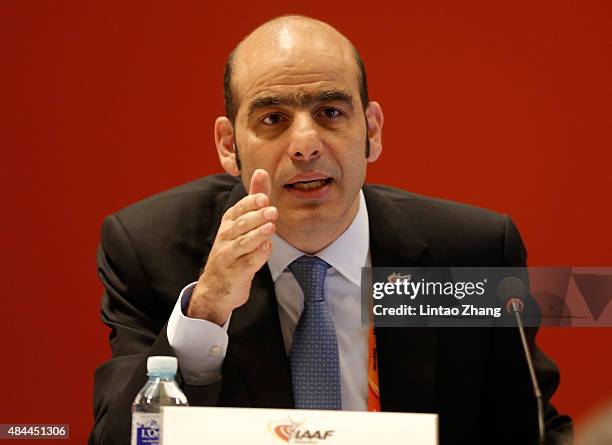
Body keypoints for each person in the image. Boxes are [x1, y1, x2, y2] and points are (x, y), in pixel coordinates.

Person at [90, 15, 572, 445]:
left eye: (331, 112)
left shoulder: (466, 253)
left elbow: (528, 427)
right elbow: (119, 439)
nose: (305, 144)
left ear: (372, 131)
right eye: (273, 119)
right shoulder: (152, 250)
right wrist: (208, 311)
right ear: (228, 144)